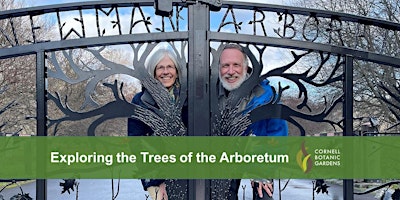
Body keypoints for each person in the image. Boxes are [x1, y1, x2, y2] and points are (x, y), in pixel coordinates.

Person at [218, 43, 288, 200]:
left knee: (264, 195)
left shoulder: (266, 94)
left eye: (236, 65)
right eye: (225, 66)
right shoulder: (211, 92)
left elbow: (278, 134)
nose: (230, 71)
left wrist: (264, 170)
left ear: (246, 67)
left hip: (259, 156)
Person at [128, 47, 188, 200]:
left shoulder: (189, 97)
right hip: (160, 178)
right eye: (160, 67)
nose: (166, 71)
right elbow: (138, 143)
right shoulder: (141, 101)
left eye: (170, 67)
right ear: (153, 72)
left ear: (177, 71)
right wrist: (155, 181)